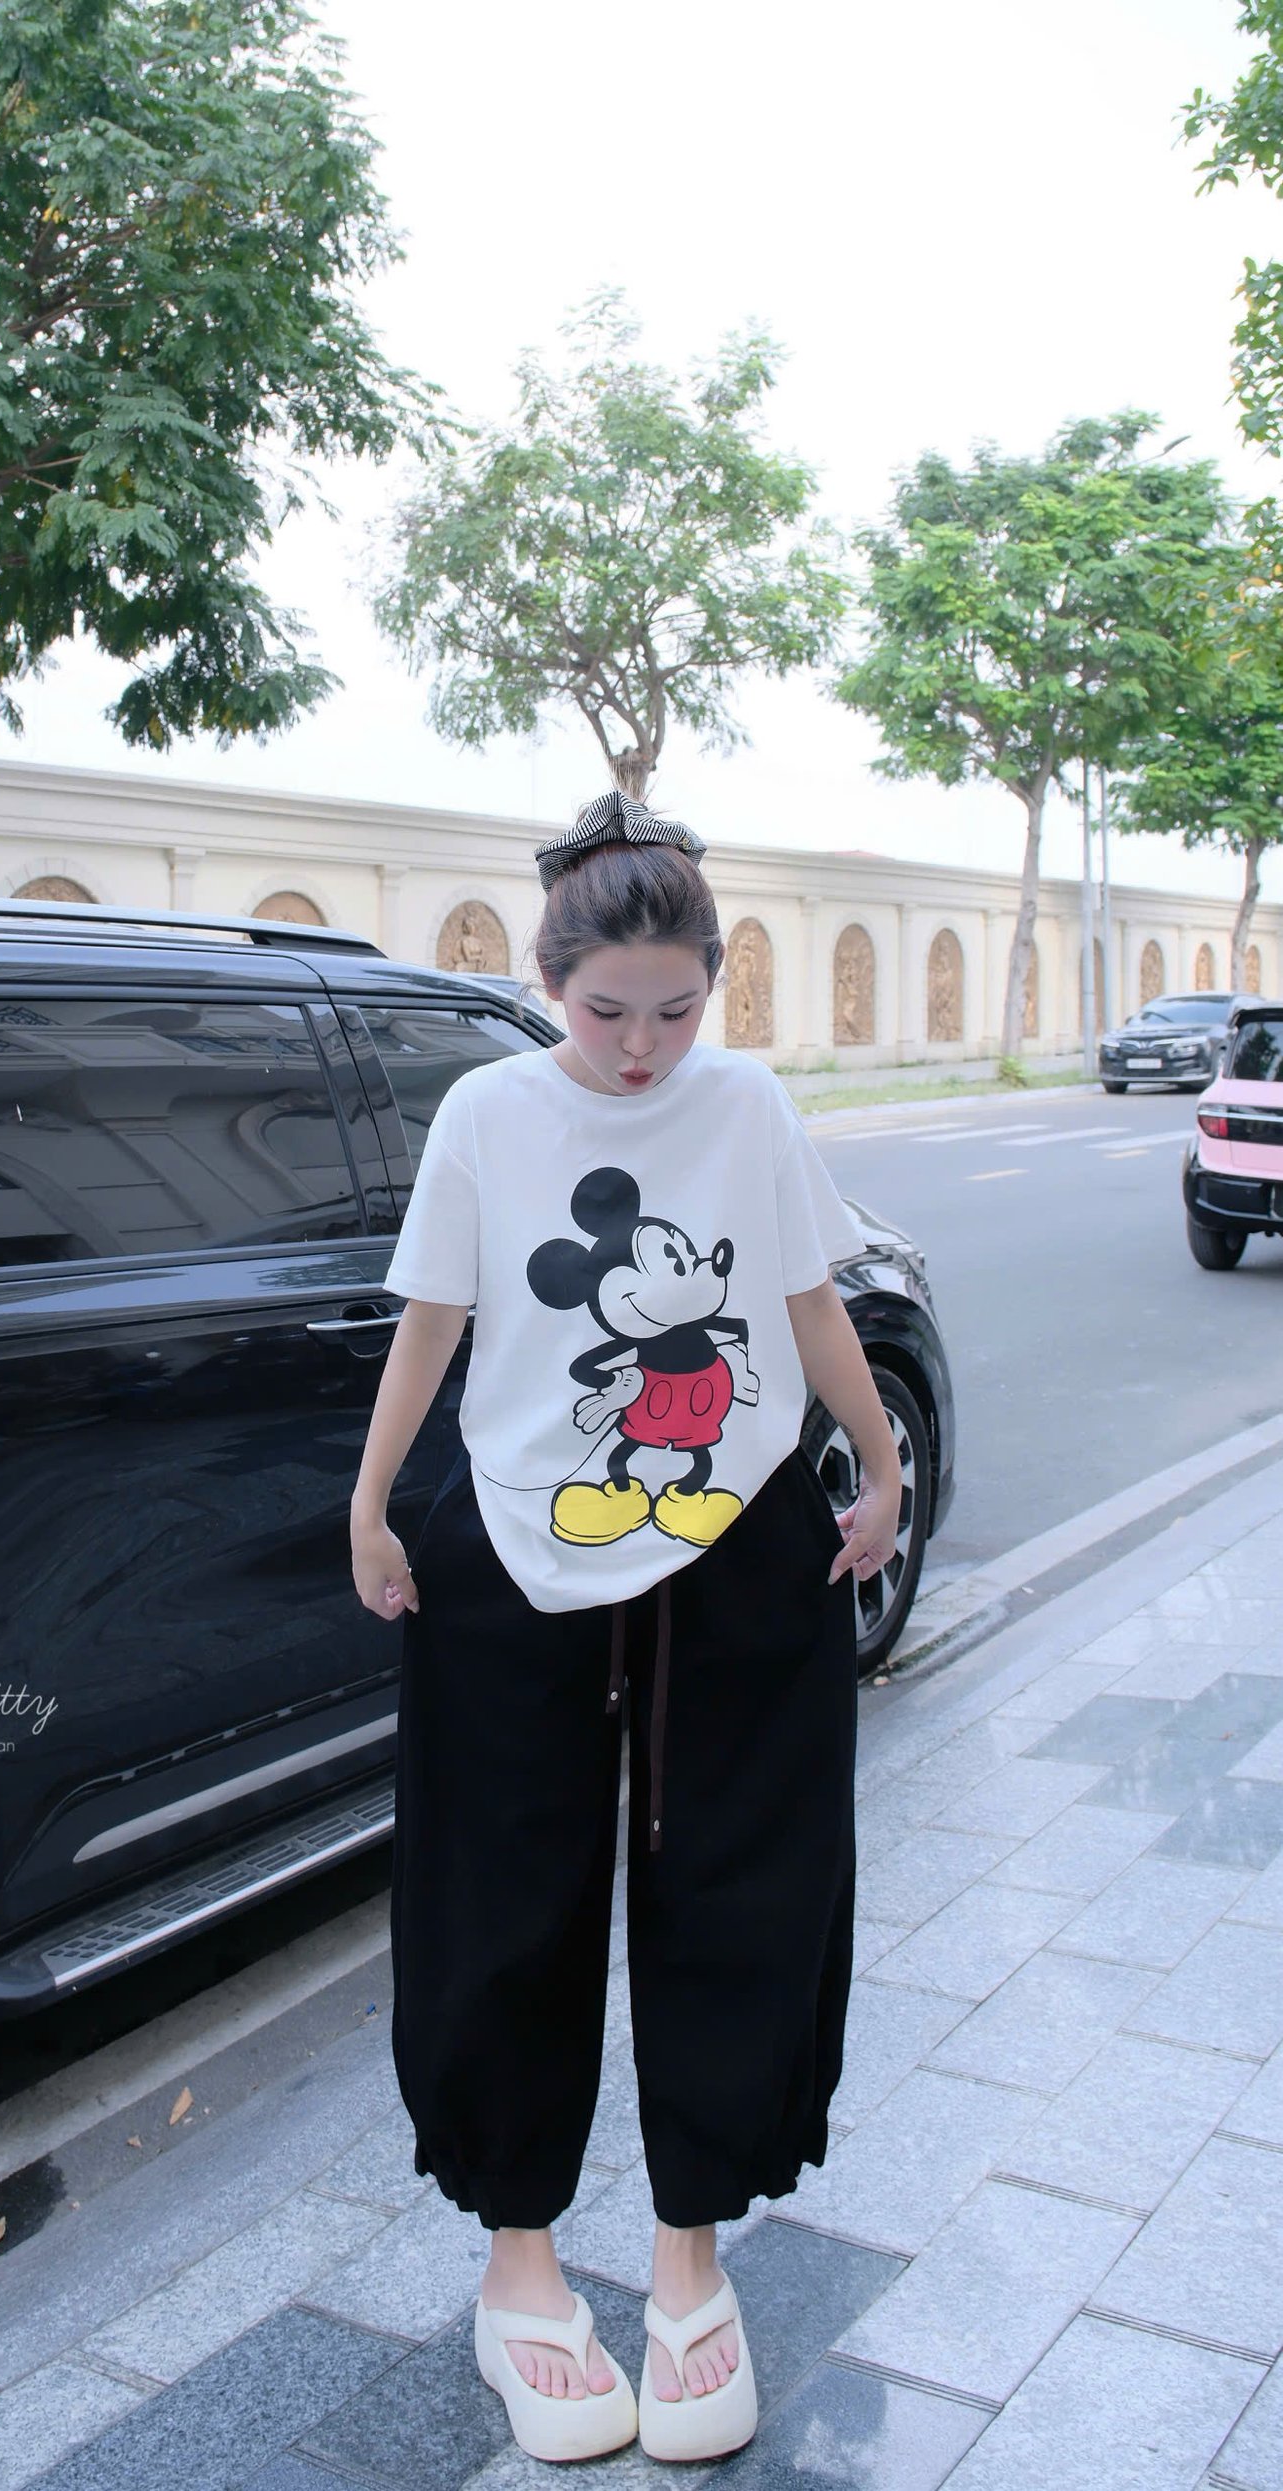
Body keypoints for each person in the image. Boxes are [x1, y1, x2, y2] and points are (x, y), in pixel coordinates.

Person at [349, 789, 903, 2465]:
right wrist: (370, 1503)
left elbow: (805, 1296)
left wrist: (877, 1461)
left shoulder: (748, 1105)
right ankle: (519, 2270)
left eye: (677, 1008)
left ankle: (687, 2262)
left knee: (742, 1879)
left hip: (734, 1544)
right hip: (520, 1544)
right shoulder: (488, 1111)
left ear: (713, 983)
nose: (644, 1047)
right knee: (500, 1892)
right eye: (606, 1012)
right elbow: (433, 1319)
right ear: (548, 979)